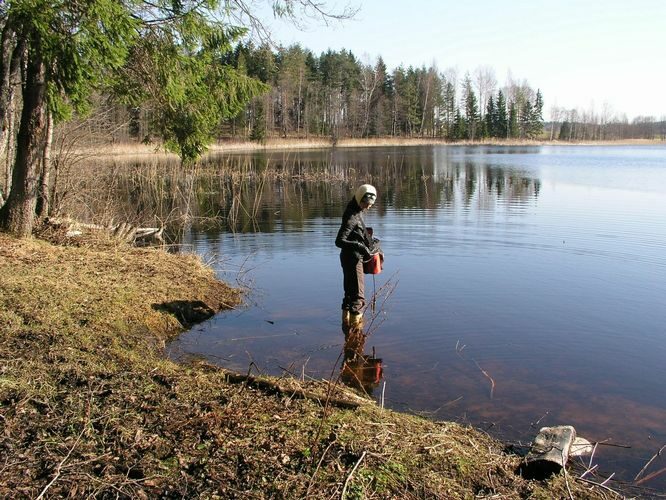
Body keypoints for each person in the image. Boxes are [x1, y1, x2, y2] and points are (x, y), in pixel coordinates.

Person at [335, 184, 377, 328]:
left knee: (349, 295)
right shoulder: (352, 216)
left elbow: (354, 233)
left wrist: (368, 241)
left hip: (348, 258)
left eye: (370, 204)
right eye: (366, 203)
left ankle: (346, 328)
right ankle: (356, 337)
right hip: (352, 260)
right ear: (360, 198)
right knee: (358, 298)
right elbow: (339, 241)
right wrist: (360, 246)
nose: (368, 206)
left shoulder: (355, 210)